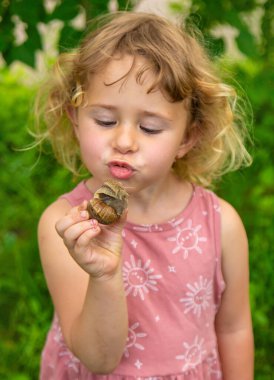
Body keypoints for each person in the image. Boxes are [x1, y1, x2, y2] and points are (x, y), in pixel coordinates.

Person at [35, 11, 254, 380]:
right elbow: (98, 359)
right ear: (75, 118)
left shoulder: (220, 224)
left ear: (187, 137)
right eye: (104, 121)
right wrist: (103, 275)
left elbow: (233, 328)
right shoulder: (66, 227)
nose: (124, 141)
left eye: (150, 127)